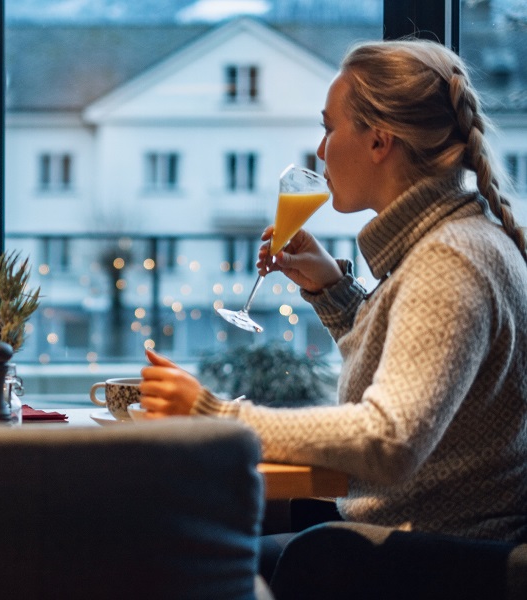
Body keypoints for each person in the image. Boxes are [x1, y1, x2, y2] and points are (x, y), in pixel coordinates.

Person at [140, 37, 527, 573]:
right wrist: (332, 291)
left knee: (188, 560)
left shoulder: (450, 260)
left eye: (329, 128)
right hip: (423, 540)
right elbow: (416, 365)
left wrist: (214, 415)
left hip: (433, 559)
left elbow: (387, 440)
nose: (320, 151)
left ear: (379, 140)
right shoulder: (452, 244)